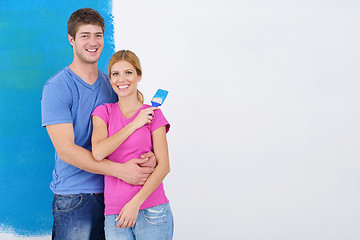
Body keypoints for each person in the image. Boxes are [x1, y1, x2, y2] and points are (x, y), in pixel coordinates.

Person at [41, 8, 156, 240]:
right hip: (75, 197)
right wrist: (121, 171)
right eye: (85, 35)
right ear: (71, 39)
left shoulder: (113, 84)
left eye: (98, 35)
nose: (93, 42)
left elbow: (125, 135)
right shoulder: (57, 87)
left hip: (115, 195)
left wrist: (150, 157)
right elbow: (67, 150)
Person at [91, 50, 174, 239]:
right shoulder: (103, 112)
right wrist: (135, 124)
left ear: (139, 76)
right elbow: (98, 152)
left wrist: (135, 203)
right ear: (110, 79)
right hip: (114, 214)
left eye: (128, 72)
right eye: (115, 74)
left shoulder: (154, 114)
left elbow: (164, 167)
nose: (122, 79)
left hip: (152, 209)